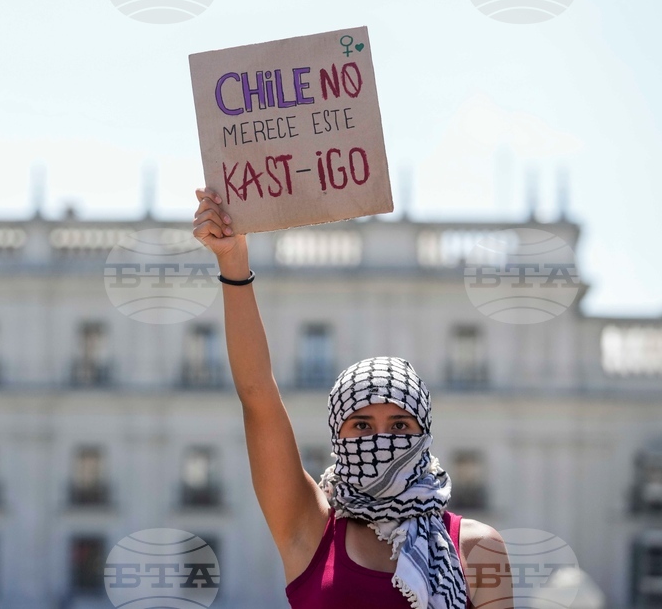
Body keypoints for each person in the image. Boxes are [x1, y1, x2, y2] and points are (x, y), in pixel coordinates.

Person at [191, 186, 513, 609]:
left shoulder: (476, 549)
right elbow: (257, 396)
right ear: (337, 436)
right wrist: (233, 263)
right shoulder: (308, 530)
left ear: (424, 433)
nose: (380, 439)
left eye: (399, 425)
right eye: (361, 425)